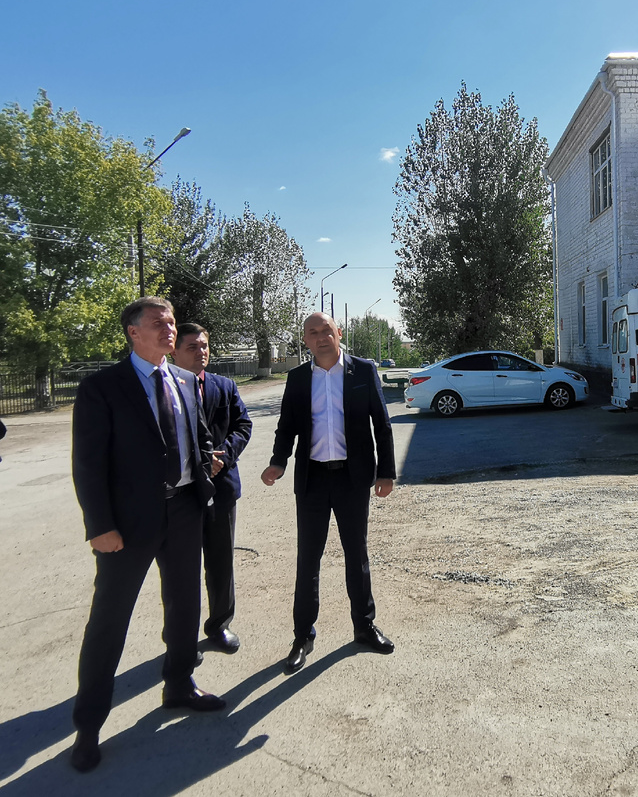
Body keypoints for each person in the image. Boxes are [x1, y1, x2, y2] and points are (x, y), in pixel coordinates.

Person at [69, 297, 225, 774]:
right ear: (133, 332)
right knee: (109, 620)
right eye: (159, 322)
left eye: (172, 321)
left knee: (184, 605)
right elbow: (88, 463)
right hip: (127, 525)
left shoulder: (184, 380)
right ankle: (88, 725)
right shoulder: (102, 387)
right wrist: (100, 526)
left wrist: (205, 472)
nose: (169, 328)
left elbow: (197, 435)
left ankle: (179, 685)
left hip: (184, 512)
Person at [261, 312, 396, 674]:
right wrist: (278, 462)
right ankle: (302, 636)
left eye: (326, 330)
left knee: (357, 554)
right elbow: (287, 426)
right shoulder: (298, 378)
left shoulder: (362, 371)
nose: (321, 337)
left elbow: (382, 424)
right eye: (313, 332)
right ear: (305, 340)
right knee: (308, 558)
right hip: (313, 481)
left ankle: (364, 627)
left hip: (353, 479)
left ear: (339, 332)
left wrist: (386, 472)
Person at [173, 323, 253, 654]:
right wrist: (200, 462)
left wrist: (224, 456)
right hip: (181, 495)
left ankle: (220, 624)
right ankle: (181, 638)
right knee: (182, 569)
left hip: (222, 488)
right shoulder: (166, 389)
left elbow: (243, 425)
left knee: (221, 561)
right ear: (174, 351)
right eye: (192, 347)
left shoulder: (224, 385)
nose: (201, 352)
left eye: (204, 346)